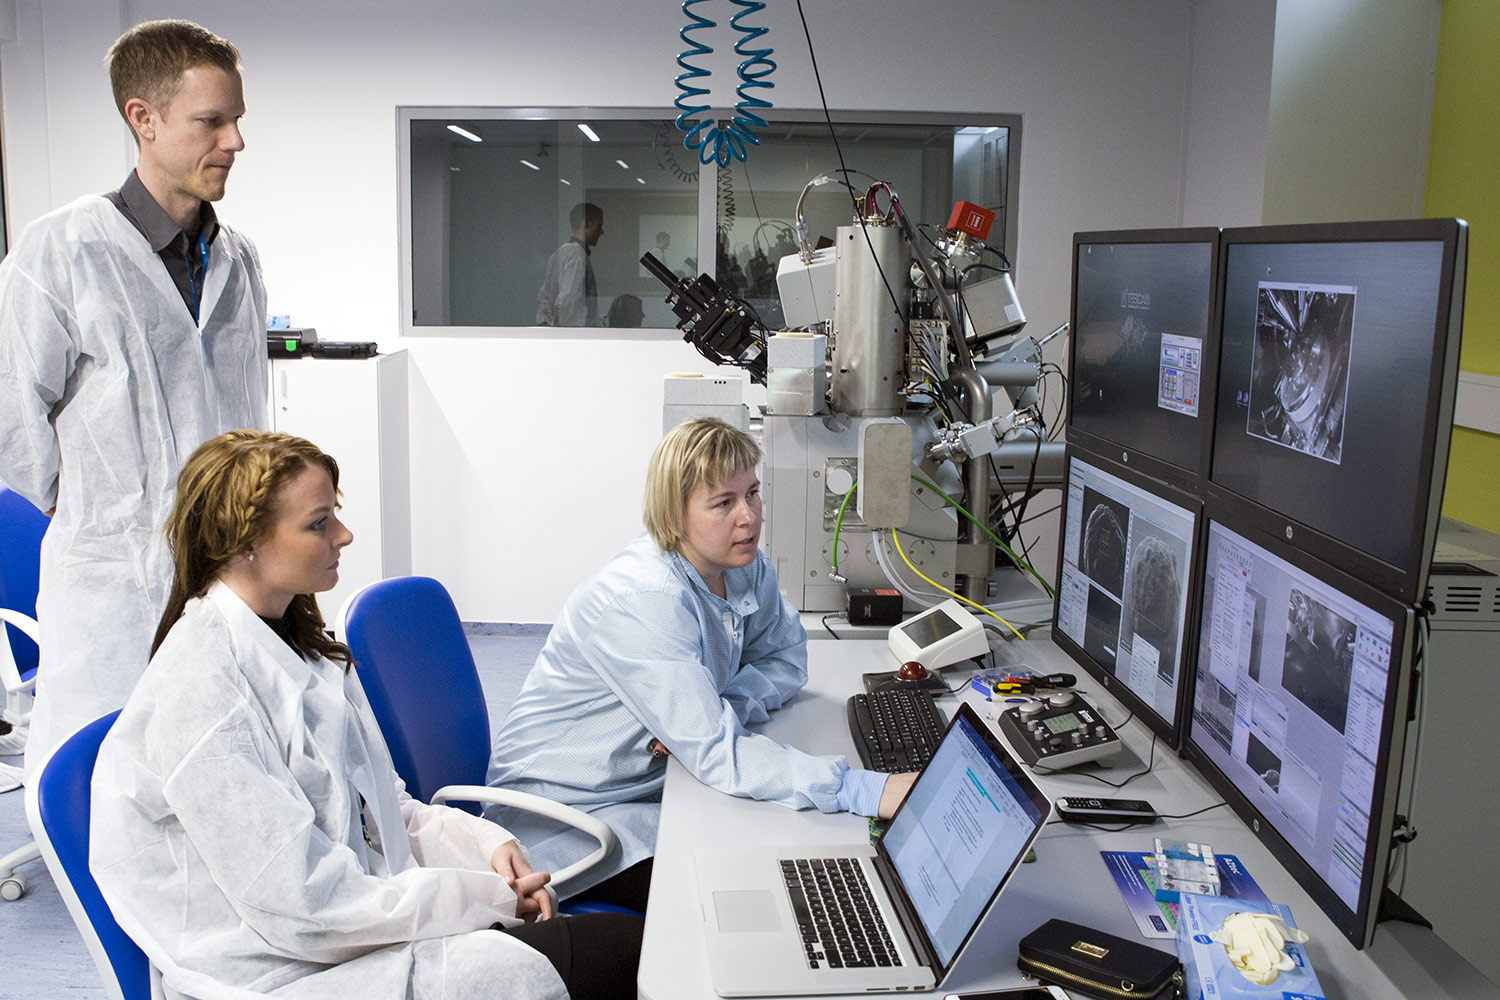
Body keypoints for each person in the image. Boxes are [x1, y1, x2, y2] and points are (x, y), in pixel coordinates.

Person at [91, 430, 643, 1000]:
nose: (345, 535)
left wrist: (484, 847)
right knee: (626, 958)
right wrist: (483, 899)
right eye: (318, 523)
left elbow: (383, 811)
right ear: (245, 543)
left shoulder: (301, 645)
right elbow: (303, 907)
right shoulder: (202, 692)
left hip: (359, 929)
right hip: (287, 972)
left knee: (624, 950)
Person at [486, 418, 916, 912]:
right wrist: (862, 787)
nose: (749, 517)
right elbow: (718, 754)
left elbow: (787, 658)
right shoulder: (644, 599)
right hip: (568, 811)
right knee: (736, 892)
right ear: (675, 515)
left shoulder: (743, 564)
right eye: (724, 504)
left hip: (652, 781)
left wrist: (721, 705)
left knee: (775, 844)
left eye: (753, 494)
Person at [0, 19, 268, 772]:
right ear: (142, 120)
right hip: (112, 582)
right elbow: (11, 419)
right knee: (105, 778)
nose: (235, 141)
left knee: (220, 767)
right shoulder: (61, 254)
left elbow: (248, 420)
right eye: (211, 121)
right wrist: (101, 510)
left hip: (224, 569)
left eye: (237, 118)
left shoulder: (237, 260)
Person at [536, 202, 603, 326]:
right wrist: (563, 331)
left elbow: (543, 298)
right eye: (598, 226)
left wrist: (547, 324)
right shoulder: (576, 255)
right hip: (571, 335)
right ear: (586, 223)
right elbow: (568, 300)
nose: (602, 232)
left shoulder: (557, 255)